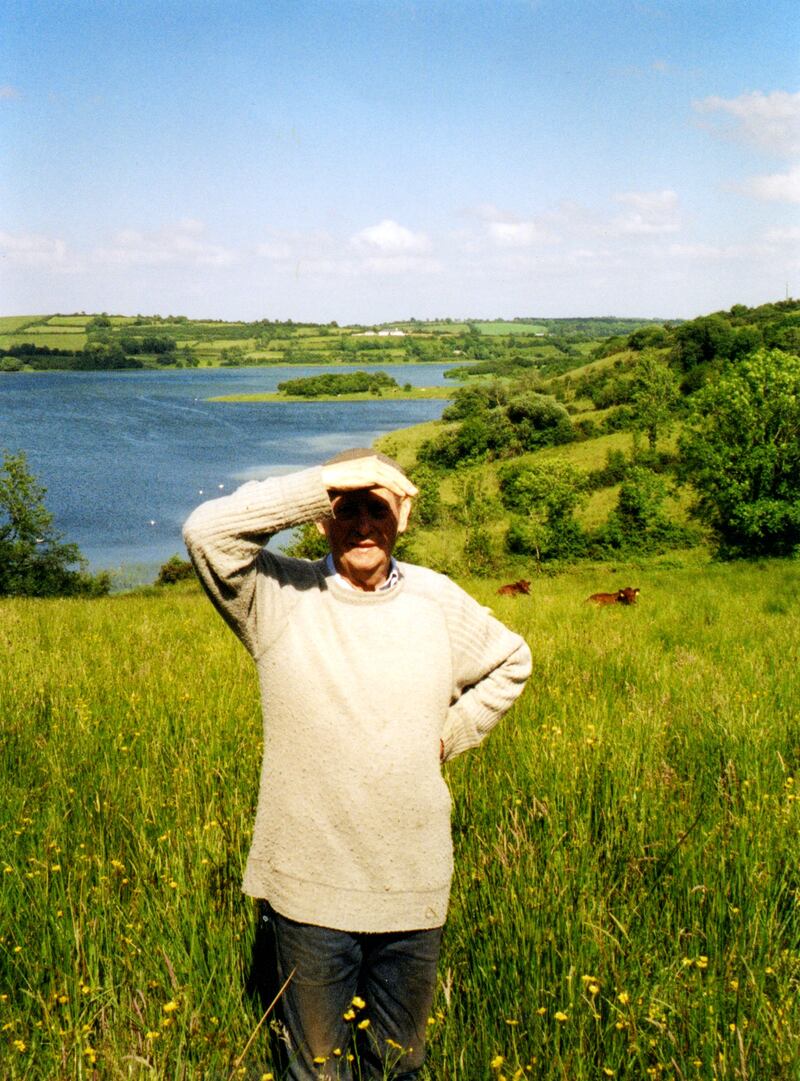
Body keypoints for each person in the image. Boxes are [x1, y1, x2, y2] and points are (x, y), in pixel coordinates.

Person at [183, 448, 531, 1080]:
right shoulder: (279, 596)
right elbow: (207, 533)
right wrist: (327, 481)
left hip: (413, 885)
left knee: (398, 1065)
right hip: (309, 889)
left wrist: (450, 735)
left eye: (379, 508)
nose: (364, 525)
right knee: (318, 1071)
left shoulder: (437, 600)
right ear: (321, 518)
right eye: (346, 509)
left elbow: (513, 661)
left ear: (404, 517)